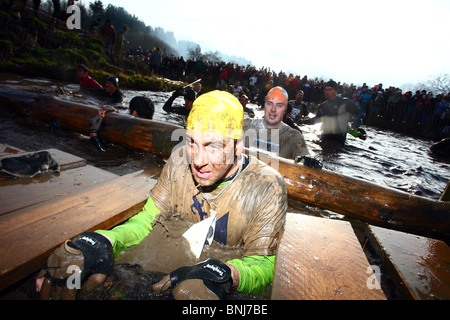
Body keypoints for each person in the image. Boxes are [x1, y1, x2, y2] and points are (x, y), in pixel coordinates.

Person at [36, 91, 287, 300]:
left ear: (237, 146)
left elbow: (264, 266)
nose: (198, 160)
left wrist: (227, 274)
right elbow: (147, 221)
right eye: (192, 142)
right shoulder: (180, 161)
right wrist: (105, 240)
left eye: (212, 145)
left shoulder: (267, 186)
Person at [243, 86, 312, 162]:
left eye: (279, 105)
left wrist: (308, 163)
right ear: (264, 106)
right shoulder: (246, 125)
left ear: (285, 110)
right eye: (270, 103)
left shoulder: (294, 137)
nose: (273, 109)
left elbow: (303, 168)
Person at [301, 80, 363, 147]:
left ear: (336, 91)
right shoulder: (323, 106)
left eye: (330, 90)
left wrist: (357, 122)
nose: (327, 92)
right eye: (326, 90)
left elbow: (359, 113)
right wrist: (302, 122)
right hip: (324, 138)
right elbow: (316, 119)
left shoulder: (345, 102)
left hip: (339, 141)